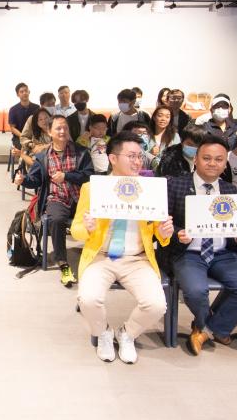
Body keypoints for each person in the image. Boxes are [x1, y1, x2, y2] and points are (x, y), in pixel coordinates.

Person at [70, 132, 172, 363]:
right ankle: (103, 332)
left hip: (137, 259)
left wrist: (164, 233)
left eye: (140, 156)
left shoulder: (150, 190)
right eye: (131, 156)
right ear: (113, 158)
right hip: (100, 257)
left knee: (156, 305)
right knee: (88, 299)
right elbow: (76, 229)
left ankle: (127, 333)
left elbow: (158, 230)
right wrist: (87, 228)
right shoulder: (92, 189)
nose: (137, 162)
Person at [165, 135, 237, 355]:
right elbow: (162, 222)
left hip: (222, 253)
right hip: (188, 252)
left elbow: (233, 228)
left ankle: (205, 330)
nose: (212, 163)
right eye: (206, 158)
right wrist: (177, 233)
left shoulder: (230, 190)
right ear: (195, 159)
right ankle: (211, 326)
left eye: (218, 159)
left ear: (225, 163)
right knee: (196, 291)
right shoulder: (175, 184)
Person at [16, 115, 95, 288]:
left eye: (65, 128)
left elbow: (89, 176)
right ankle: (63, 264)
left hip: (81, 199)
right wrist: (23, 180)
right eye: (58, 128)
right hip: (57, 198)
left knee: (99, 217)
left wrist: (67, 176)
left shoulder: (81, 152)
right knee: (56, 219)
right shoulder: (43, 156)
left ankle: (98, 258)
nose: (62, 131)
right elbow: (35, 180)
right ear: (50, 132)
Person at [8, 83, 37, 149]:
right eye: (21, 92)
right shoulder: (13, 109)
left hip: (34, 137)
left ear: (29, 92)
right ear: (17, 94)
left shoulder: (37, 107)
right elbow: (12, 128)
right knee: (24, 149)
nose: (24, 93)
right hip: (19, 137)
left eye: (26, 91)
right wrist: (23, 136)